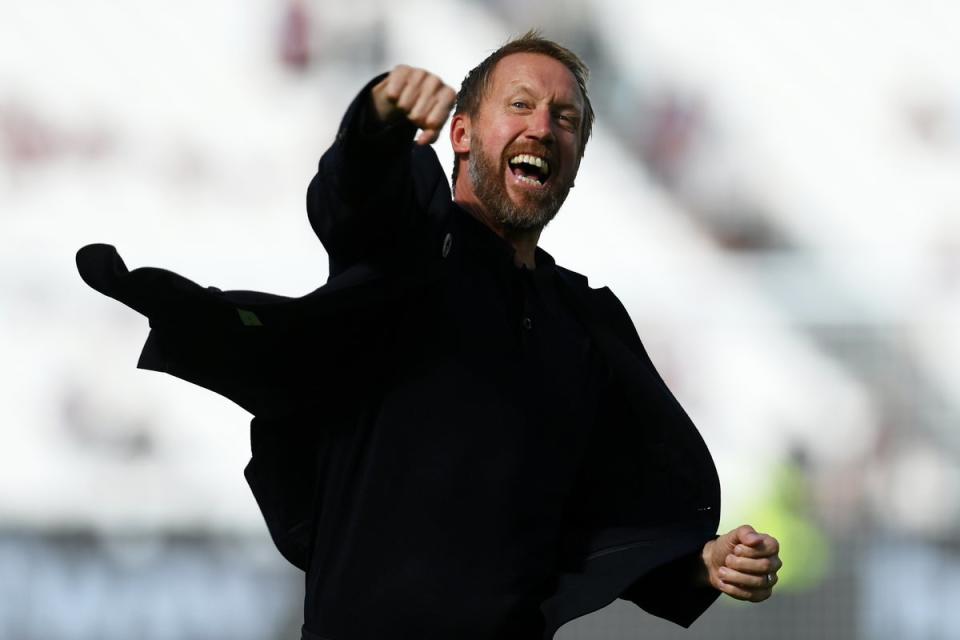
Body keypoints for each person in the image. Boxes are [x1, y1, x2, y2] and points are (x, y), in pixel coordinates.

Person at [76, 32, 781, 640]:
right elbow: (356, 201)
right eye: (521, 105)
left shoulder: (584, 324)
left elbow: (600, 520)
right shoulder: (415, 254)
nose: (543, 125)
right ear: (463, 133)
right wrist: (379, 116)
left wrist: (697, 563)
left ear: (576, 159)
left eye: (565, 117)